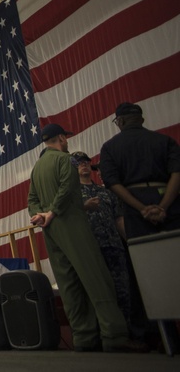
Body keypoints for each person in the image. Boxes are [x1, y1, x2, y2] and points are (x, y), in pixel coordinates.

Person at [27, 123, 144, 353]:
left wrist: (40, 215)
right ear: (61, 138)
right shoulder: (64, 160)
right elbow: (69, 189)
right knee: (97, 278)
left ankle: (83, 337)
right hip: (72, 224)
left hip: (51, 231)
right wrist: (53, 211)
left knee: (69, 284)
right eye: (65, 137)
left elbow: (31, 199)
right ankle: (114, 335)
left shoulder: (37, 168)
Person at [72, 152, 136, 337]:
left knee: (122, 292)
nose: (83, 165)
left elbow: (119, 220)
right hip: (91, 250)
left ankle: (127, 335)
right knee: (98, 295)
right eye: (79, 163)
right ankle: (104, 335)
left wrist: (129, 242)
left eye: (86, 162)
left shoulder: (105, 192)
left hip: (114, 248)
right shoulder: (72, 195)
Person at [97, 102, 180, 238]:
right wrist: (163, 207)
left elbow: (112, 182)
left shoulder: (109, 147)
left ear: (120, 121)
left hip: (134, 203)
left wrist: (142, 209)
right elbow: (177, 174)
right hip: (168, 199)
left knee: (144, 253)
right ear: (141, 120)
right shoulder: (166, 141)